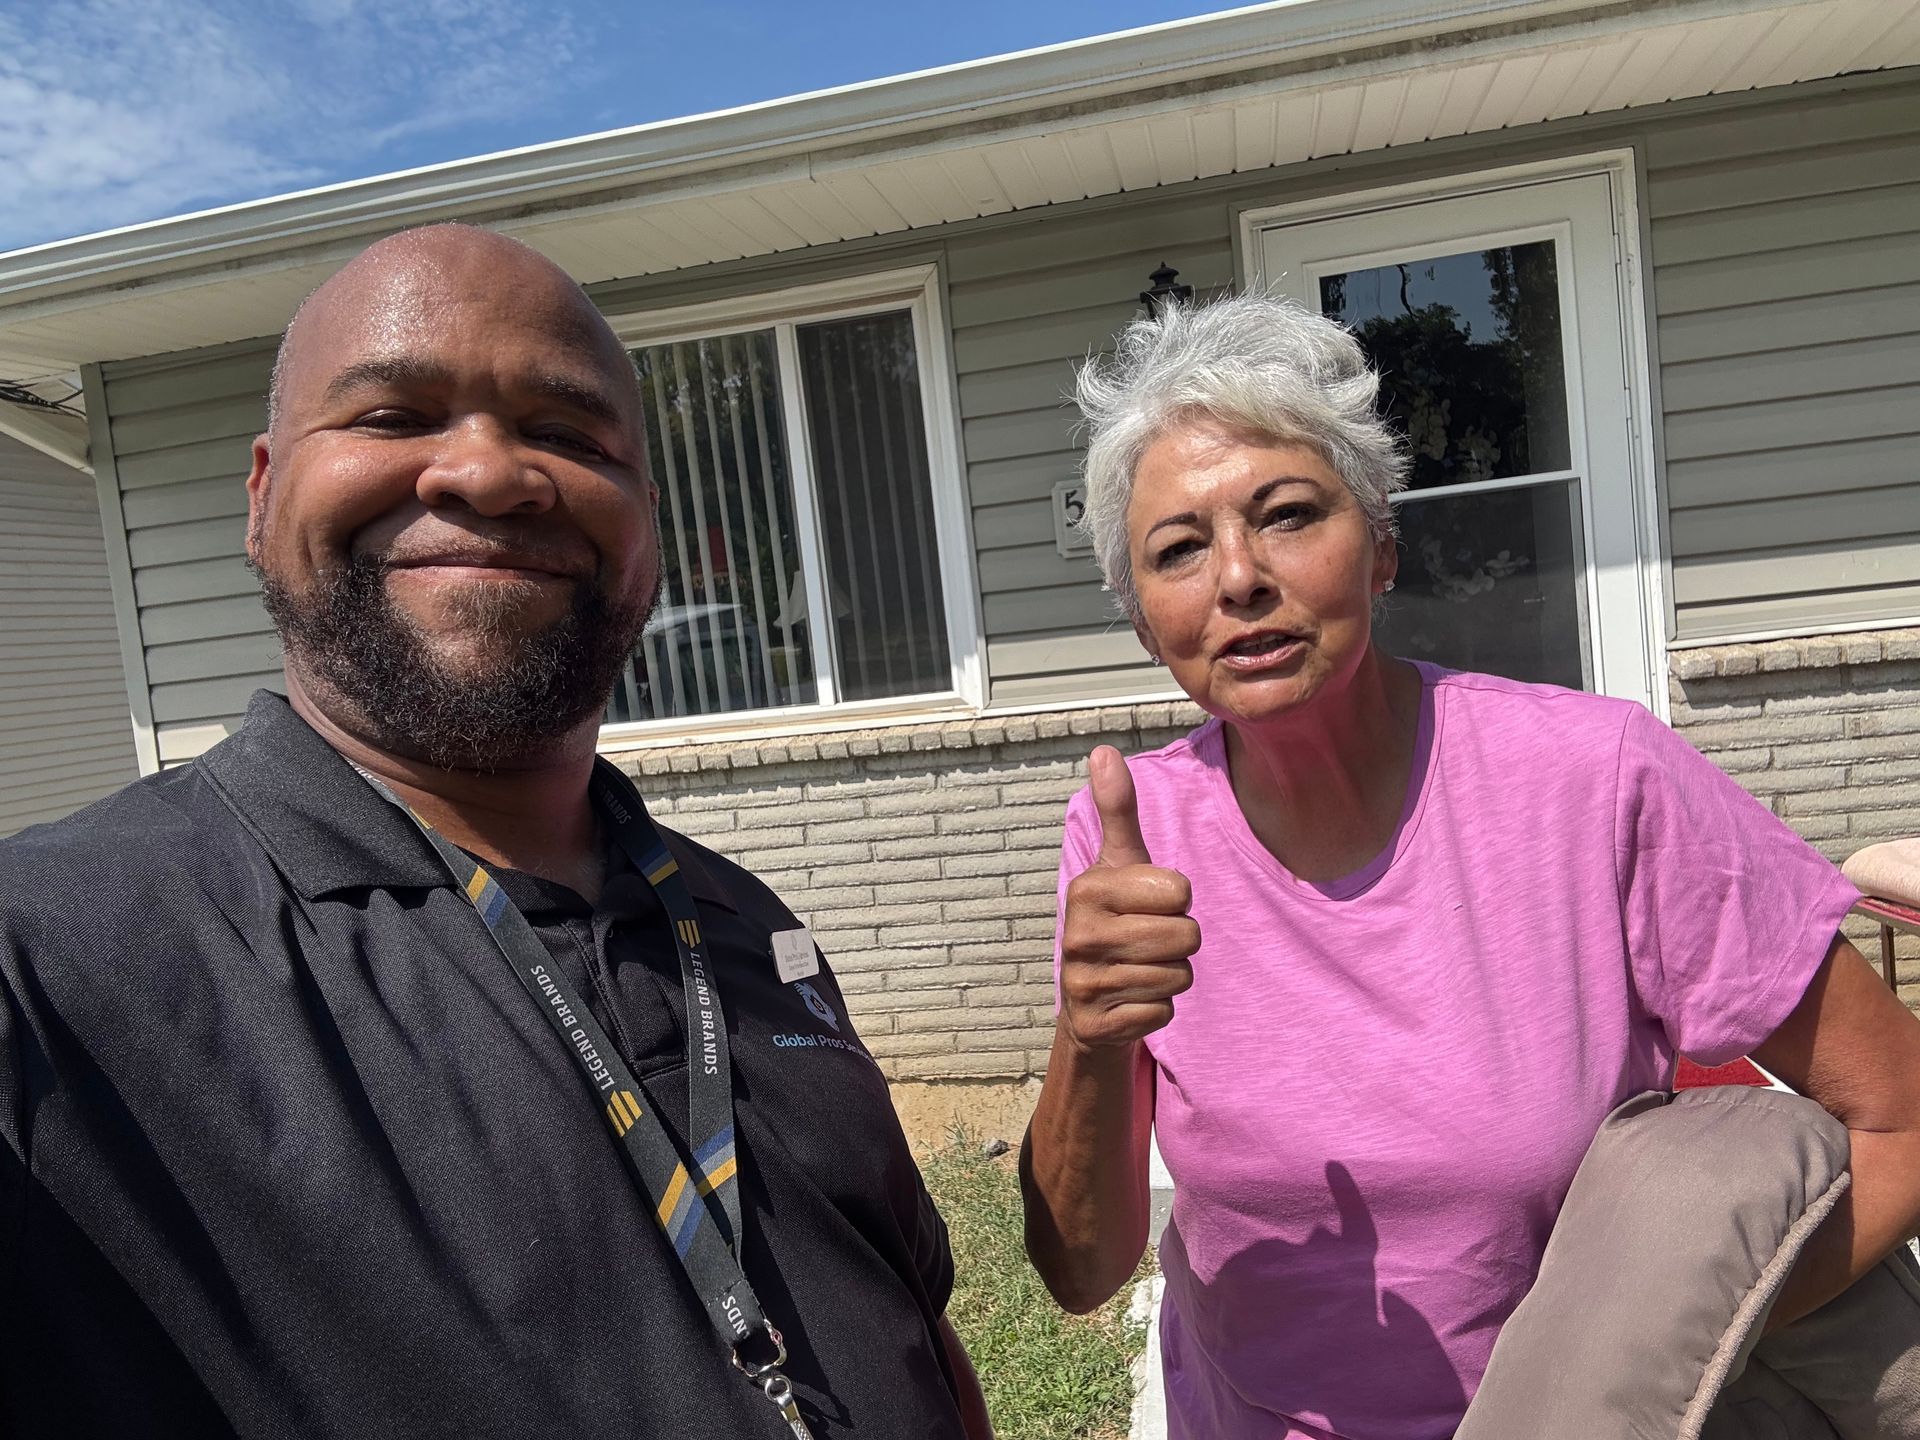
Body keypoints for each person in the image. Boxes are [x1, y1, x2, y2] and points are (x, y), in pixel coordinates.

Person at [0, 224, 988, 1440]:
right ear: (263, 497)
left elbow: (910, 1321)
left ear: (649, 529)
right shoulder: (53, 962)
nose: (486, 472)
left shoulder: (739, 922)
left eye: (570, 436)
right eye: (393, 415)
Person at [1018, 293, 1920, 1440]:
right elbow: (1080, 1271)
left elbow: (1901, 1115)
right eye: (1180, 549)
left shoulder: (1595, 779)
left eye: (1288, 514)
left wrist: (1677, 1364)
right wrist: (1090, 1040)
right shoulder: (1129, 832)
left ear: (1383, 545)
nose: (1238, 577)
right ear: (1145, 619)